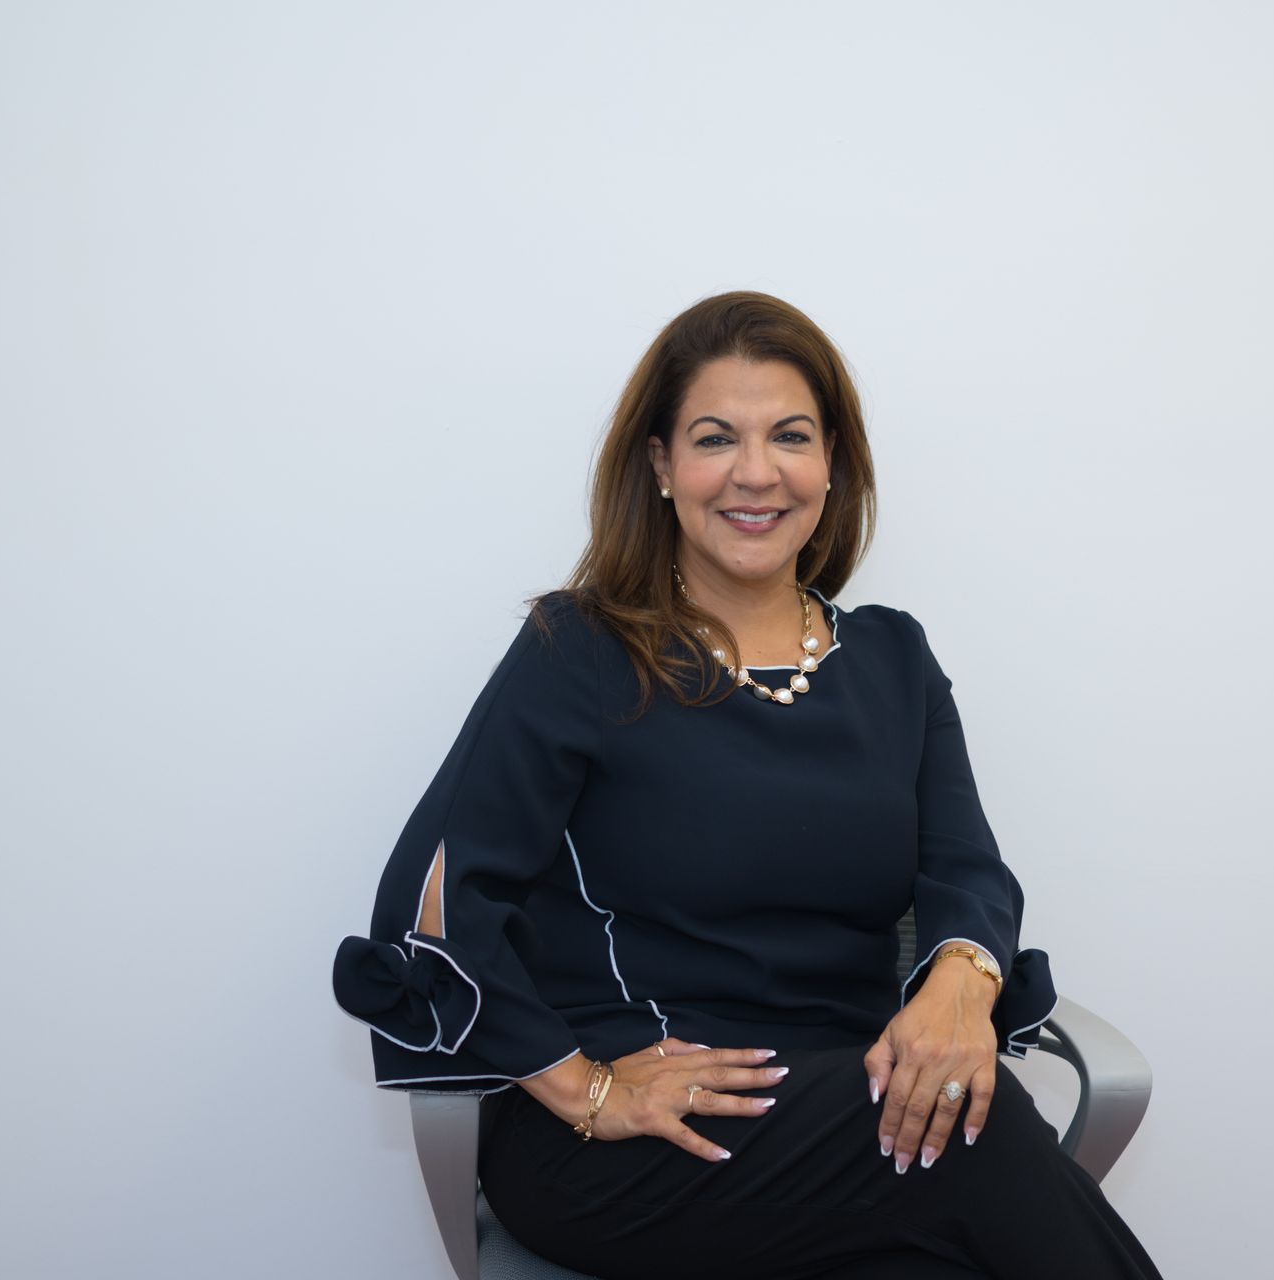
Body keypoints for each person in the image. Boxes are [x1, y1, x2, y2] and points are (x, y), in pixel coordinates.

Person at [331, 291, 1165, 1279]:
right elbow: (431, 899)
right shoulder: (583, 651)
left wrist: (959, 981)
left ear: (832, 465)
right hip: (634, 1145)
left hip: (855, 1128)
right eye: (715, 437)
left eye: (792, 436)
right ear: (660, 466)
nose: (756, 472)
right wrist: (589, 1089)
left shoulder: (894, 659)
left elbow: (964, 864)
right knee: (982, 1140)